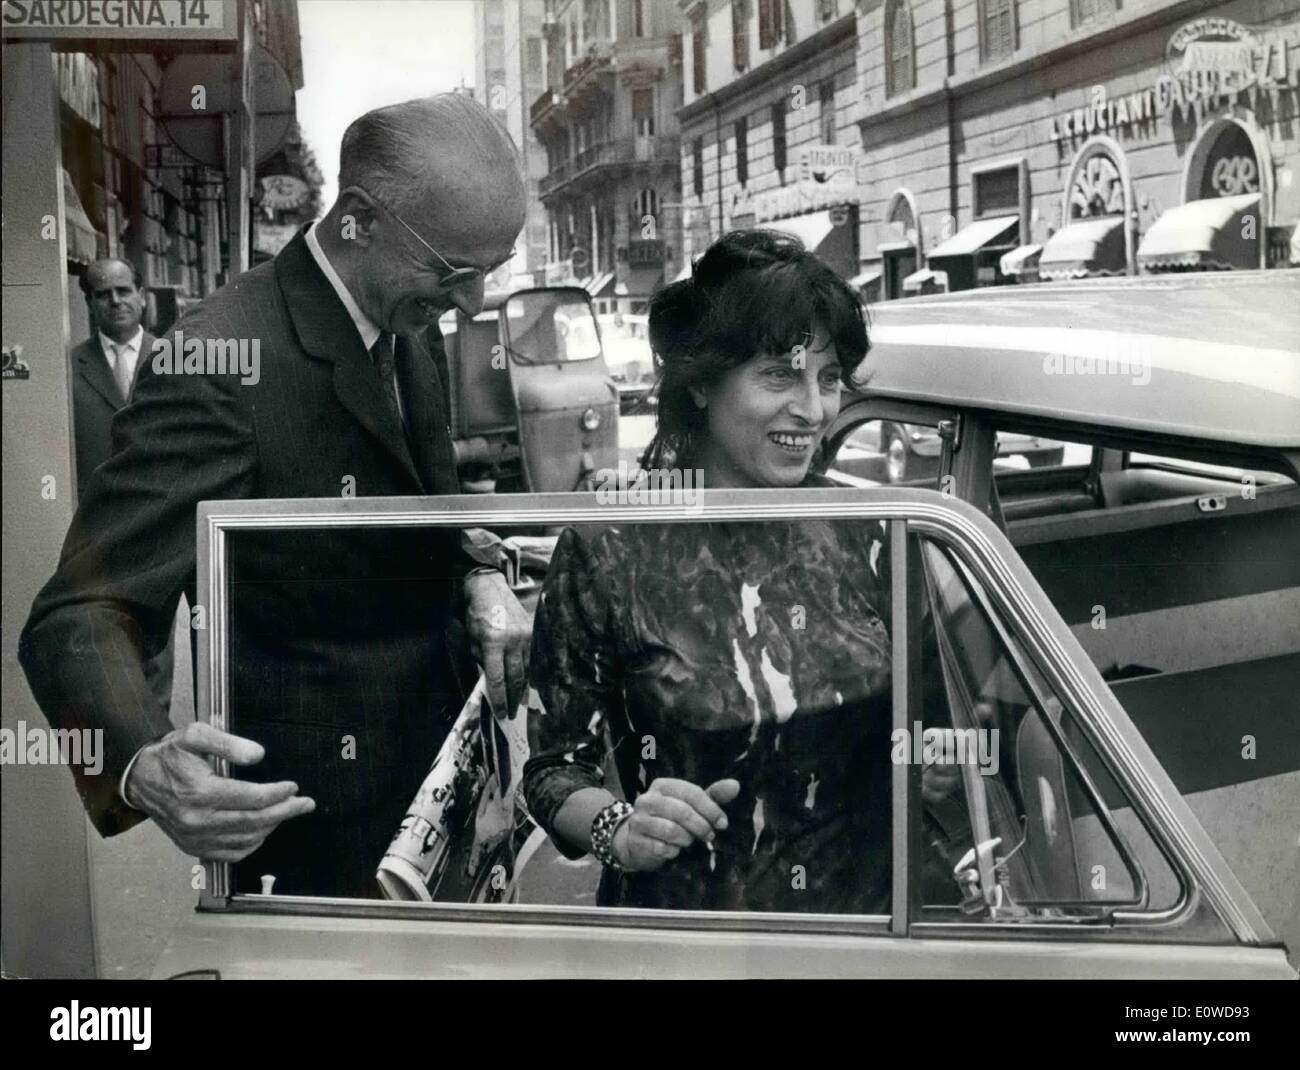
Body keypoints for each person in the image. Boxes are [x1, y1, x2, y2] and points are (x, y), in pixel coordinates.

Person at [20, 94, 533, 898]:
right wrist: (143, 764)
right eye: (453, 273)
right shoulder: (220, 362)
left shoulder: (411, 325)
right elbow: (79, 611)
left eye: (490, 274)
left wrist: (478, 575)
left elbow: (430, 516)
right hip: (318, 842)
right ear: (360, 217)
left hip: (445, 812)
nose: (471, 303)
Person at [522, 230, 897, 913]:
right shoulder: (610, 546)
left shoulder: (872, 525)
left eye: (829, 378)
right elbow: (552, 771)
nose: (812, 411)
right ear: (700, 382)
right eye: (779, 375)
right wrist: (619, 829)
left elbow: (931, 721)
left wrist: (937, 758)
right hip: (689, 937)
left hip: (866, 931)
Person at [69, 258, 174, 716]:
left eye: (123, 290)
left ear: (142, 295)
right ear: (89, 303)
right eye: (102, 294)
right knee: (106, 647)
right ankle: (124, 756)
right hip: (97, 532)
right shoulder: (69, 367)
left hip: (162, 526)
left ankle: (161, 742)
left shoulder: (175, 359)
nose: (115, 301)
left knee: (156, 647)